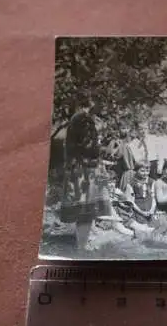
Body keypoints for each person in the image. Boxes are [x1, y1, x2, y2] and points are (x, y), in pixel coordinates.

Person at [61, 96, 102, 251]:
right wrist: (101, 149)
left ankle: (82, 243)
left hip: (75, 166)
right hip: (84, 168)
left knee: (82, 207)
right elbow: (89, 146)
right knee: (86, 208)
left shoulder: (74, 119)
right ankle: (82, 246)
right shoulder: (85, 119)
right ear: (90, 104)